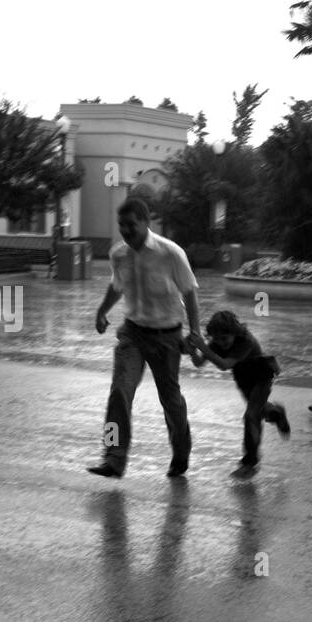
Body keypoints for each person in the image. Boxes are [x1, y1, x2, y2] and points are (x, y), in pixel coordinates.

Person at [88, 198, 200, 479]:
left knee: (170, 399)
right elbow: (117, 286)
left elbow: (189, 292)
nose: (126, 231)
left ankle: (181, 451)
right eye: (121, 226)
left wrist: (195, 333)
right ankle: (113, 457)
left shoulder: (170, 253)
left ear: (146, 223)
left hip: (167, 336)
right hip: (133, 333)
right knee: (119, 392)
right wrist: (102, 311)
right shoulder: (119, 255)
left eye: (131, 225)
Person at [187, 310, 290, 479]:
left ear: (234, 333)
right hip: (243, 378)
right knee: (257, 410)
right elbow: (199, 362)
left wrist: (203, 347)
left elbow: (225, 365)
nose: (221, 343)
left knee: (251, 416)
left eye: (225, 339)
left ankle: (250, 463)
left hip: (261, 375)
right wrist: (193, 350)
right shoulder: (215, 342)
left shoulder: (246, 340)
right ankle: (276, 413)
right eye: (217, 339)